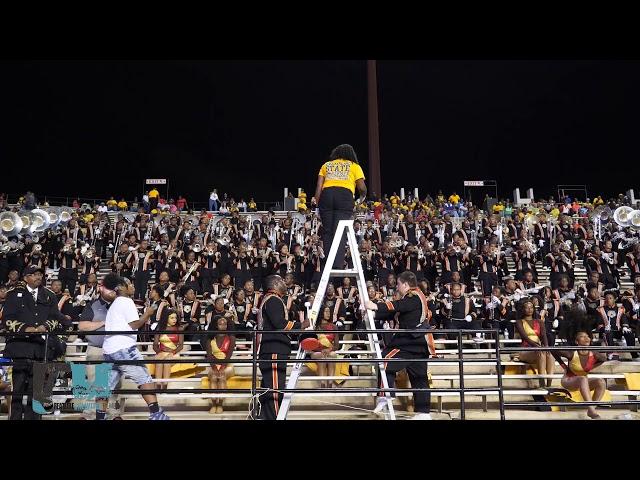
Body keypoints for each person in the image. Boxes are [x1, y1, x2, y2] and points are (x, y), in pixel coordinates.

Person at [98, 273, 170, 420]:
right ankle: (156, 414)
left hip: (109, 349)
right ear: (120, 288)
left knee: (104, 387)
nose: (132, 286)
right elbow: (134, 325)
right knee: (145, 380)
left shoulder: (114, 304)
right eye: (129, 284)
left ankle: (99, 417)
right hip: (123, 348)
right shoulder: (126, 301)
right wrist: (148, 313)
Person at [1, 266, 68, 420]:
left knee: (37, 392)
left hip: (41, 348)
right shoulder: (13, 295)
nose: (38, 277)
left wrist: (44, 327)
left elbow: (55, 317)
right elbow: (7, 319)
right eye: (34, 274)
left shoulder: (49, 295)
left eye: (40, 274)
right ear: (26, 277)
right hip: (19, 348)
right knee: (17, 391)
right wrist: (27, 328)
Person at [365, 271, 433, 420]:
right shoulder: (415, 296)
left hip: (411, 342)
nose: (397, 287)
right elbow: (395, 312)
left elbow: (398, 306)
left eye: (399, 284)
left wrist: (375, 306)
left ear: (406, 285)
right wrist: (372, 312)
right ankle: (423, 412)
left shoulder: (413, 296)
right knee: (419, 377)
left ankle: (385, 396)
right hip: (418, 343)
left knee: (385, 361)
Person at [255, 274, 309, 420]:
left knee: (270, 387)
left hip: (272, 349)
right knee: (275, 389)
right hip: (273, 349)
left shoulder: (270, 299)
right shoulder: (273, 299)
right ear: (275, 284)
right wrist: (300, 326)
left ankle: (265, 416)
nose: (285, 283)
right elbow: (279, 323)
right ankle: (276, 418)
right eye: (281, 280)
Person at [77, 276, 124, 419]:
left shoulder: (122, 305)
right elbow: (82, 326)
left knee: (115, 386)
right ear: (101, 288)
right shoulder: (92, 305)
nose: (112, 292)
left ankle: (114, 414)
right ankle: (90, 415)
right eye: (109, 288)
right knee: (95, 385)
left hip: (116, 350)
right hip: (97, 349)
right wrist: (104, 322)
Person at [314, 144, 367, 269]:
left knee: (327, 231)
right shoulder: (354, 166)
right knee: (340, 230)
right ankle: (337, 264)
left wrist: (317, 205)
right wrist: (360, 200)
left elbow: (318, 187)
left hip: (326, 196)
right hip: (344, 196)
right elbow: (362, 188)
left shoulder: (326, 165)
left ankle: (328, 262)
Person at [555, 309, 607, 419]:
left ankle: (591, 409)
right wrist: (563, 366)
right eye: (582, 336)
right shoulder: (571, 352)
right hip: (568, 381)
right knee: (583, 379)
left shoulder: (594, 354)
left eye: (587, 336)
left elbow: (604, 359)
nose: (586, 338)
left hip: (583, 381)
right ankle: (592, 410)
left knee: (601, 381)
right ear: (576, 341)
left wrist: (592, 366)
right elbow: (553, 350)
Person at [515, 298, 556, 387]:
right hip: (525, 350)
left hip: (538, 348)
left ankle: (549, 384)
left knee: (550, 354)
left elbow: (544, 336)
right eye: (527, 307)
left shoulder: (540, 321)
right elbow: (525, 338)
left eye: (531, 307)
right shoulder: (519, 322)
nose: (530, 309)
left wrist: (546, 346)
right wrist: (537, 346)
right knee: (541, 353)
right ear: (523, 309)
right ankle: (542, 383)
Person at [205, 312, 236, 414]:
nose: (223, 326)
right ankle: (214, 404)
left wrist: (222, 366)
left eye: (225, 324)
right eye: (220, 324)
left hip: (227, 364)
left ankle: (220, 404)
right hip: (214, 364)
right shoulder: (210, 338)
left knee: (221, 375)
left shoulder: (231, 337)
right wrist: (214, 367)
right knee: (214, 376)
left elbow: (229, 355)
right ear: (215, 325)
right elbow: (209, 355)